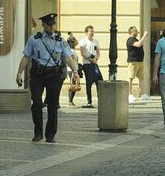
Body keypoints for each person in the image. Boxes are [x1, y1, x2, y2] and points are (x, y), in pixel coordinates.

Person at [15, 13, 79, 143]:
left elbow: (68, 58)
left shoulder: (61, 41)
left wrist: (75, 71)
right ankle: (38, 132)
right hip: (38, 75)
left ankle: (50, 134)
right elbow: (26, 56)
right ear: (43, 25)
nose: (51, 27)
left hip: (54, 76)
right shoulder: (35, 39)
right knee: (37, 103)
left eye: (53, 24)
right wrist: (19, 73)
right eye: (49, 24)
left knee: (52, 105)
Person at [78, 25, 102, 109]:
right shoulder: (83, 41)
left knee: (99, 81)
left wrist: (96, 58)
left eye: (93, 31)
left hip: (95, 64)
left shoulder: (96, 41)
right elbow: (83, 53)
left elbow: (98, 52)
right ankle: (89, 101)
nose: (92, 33)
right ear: (86, 32)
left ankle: (101, 100)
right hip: (87, 64)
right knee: (89, 82)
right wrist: (91, 59)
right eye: (90, 31)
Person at [125, 26, 148, 102]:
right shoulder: (130, 40)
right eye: (135, 31)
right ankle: (129, 94)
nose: (137, 32)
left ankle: (143, 94)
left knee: (141, 78)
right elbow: (138, 44)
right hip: (133, 61)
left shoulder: (135, 39)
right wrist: (144, 36)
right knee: (131, 78)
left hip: (140, 61)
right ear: (131, 32)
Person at [65, 32, 81, 106]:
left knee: (74, 84)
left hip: (74, 69)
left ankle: (71, 100)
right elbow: (70, 60)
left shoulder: (71, 50)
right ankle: (70, 100)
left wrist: (71, 35)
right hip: (72, 70)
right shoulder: (71, 51)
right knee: (73, 85)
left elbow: (76, 42)